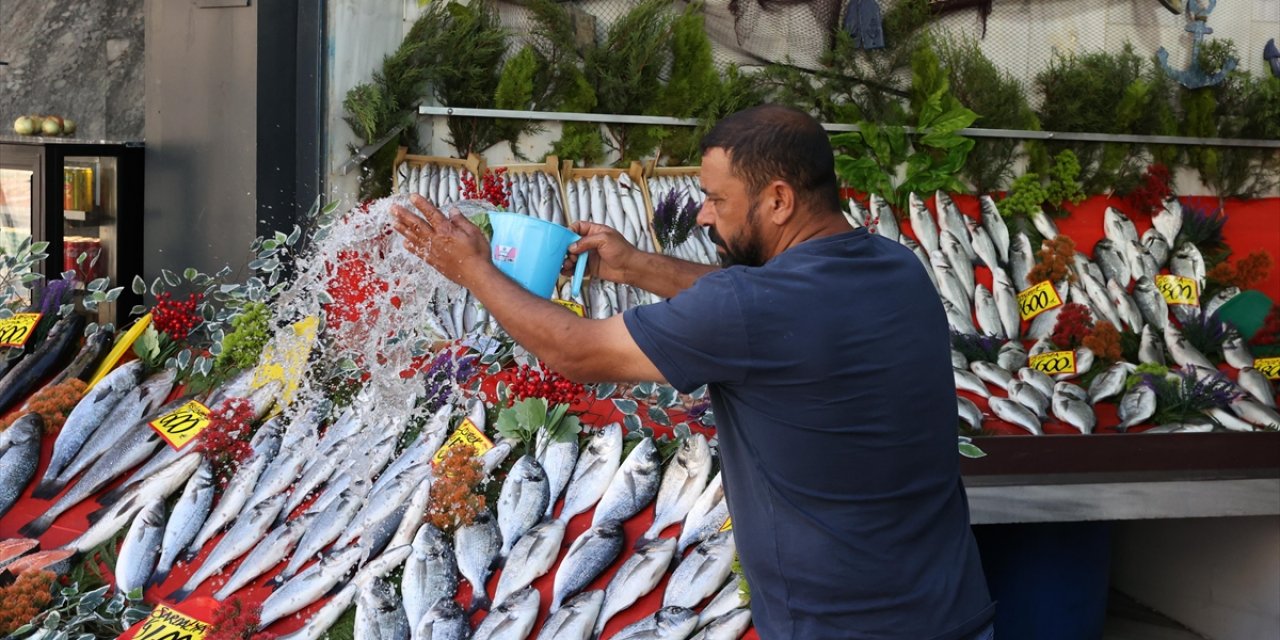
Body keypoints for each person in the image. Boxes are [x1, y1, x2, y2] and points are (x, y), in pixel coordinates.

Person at [391, 104, 994, 639]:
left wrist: (471, 269)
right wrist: (635, 267)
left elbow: (576, 349)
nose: (703, 215)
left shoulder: (753, 309)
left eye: (717, 200)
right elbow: (765, 306)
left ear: (779, 200)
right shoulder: (892, 266)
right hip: (952, 606)